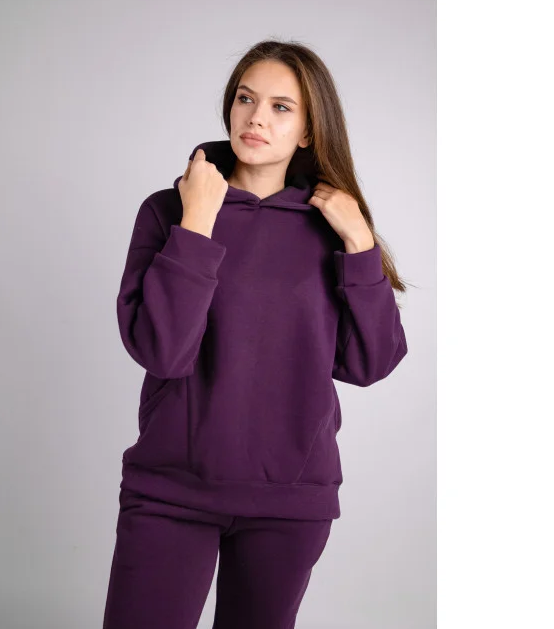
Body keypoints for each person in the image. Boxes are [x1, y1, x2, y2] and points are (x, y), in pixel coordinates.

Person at [102, 39, 409, 629]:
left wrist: (360, 243)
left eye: (280, 107)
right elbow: (162, 350)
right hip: (171, 492)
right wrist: (197, 220)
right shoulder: (168, 210)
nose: (256, 118)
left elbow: (370, 363)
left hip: (289, 505)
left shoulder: (331, 226)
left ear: (310, 130)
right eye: (246, 99)